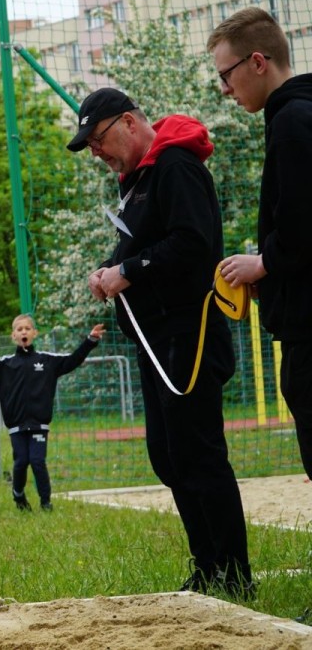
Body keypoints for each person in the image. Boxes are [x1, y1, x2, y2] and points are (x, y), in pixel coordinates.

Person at [68, 87, 252, 596]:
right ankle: (208, 565)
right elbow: (144, 241)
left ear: (128, 122)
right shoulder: (141, 179)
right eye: (89, 146)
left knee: (199, 455)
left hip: (186, 333)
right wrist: (110, 267)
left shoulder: (175, 166)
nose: (96, 153)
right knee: (168, 457)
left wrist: (128, 269)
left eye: (99, 139)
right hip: (154, 338)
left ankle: (235, 574)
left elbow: (193, 242)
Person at [208, 7, 312, 490]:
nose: (224, 89)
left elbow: (300, 226)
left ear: (256, 62)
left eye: (225, 74)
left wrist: (262, 264)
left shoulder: (292, 121)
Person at [0, 317, 105, 512]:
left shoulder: (47, 361)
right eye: (19, 329)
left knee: (38, 461)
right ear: (14, 335)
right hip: (16, 425)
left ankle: (46, 503)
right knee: (21, 461)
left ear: (34, 334)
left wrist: (90, 341)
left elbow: (73, 359)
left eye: (27, 329)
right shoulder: (5, 364)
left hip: (39, 423)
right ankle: (18, 494)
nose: (24, 332)